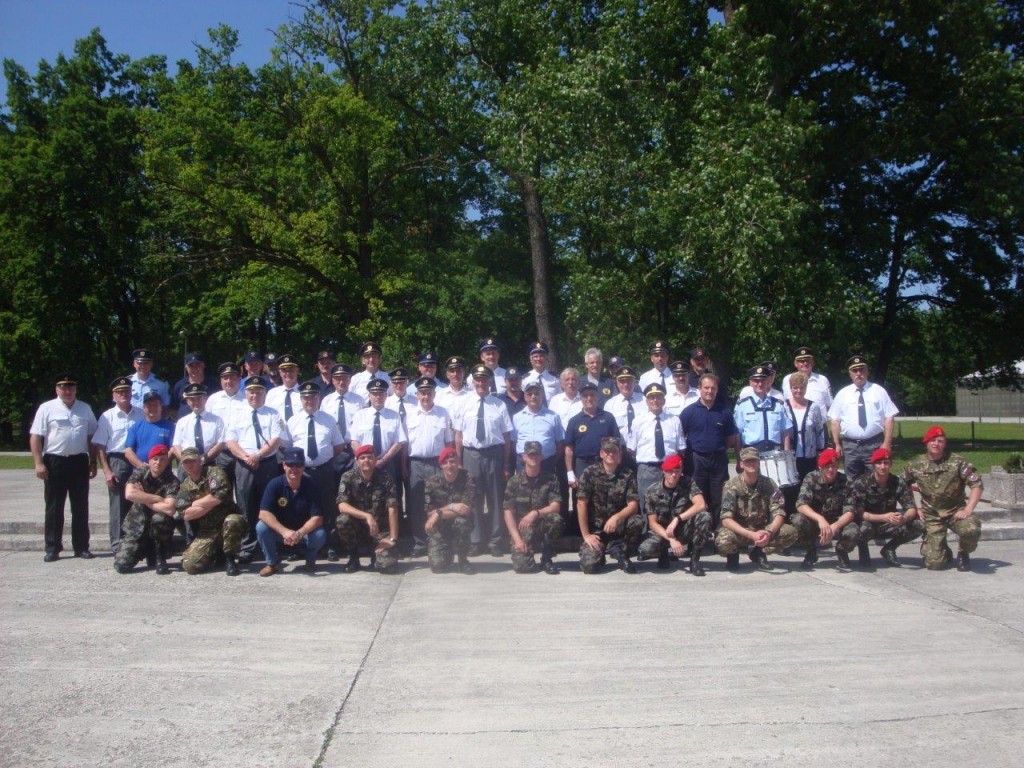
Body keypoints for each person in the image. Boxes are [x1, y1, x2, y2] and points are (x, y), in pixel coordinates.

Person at [30, 372, 98, 561]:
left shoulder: (85, 408)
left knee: (80, 506)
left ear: (75, 389)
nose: (67, 391)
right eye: (63, 387)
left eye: (71, 387)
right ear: (57, 389)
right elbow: (36, 436)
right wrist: (38, 463)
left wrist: (93, 461)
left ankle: (81, 547)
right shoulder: (47, 408)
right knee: (54, 506)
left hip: (79, 461)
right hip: (55, 461)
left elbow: (91, 436)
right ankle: (52, 548)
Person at [901, 426, 983, 571]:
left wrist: (968, 510)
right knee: (935, 564)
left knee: (971, 529)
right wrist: (913, 507)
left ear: (945, 443)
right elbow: (902, 485)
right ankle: (942, 549)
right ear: (926, 443)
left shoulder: (958, 462)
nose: (936, 444)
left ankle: (964, 553)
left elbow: (977, 485)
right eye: (932, 440)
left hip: (955, 512)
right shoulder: (914, 464)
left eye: (940, 441)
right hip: (931, 515)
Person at [455, 363, 514, 556]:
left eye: (484, 380)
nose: (481, 383)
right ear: (473, 382)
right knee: (473, 499)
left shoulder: (499, 405)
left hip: (494, 454)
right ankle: (476, 540)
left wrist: (506, 464)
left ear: (490, 382)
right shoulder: (464, 403)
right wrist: (459, 462)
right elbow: (458, 435)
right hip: (471, 454)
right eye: (478, 380)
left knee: (496, 498)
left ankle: (495, 541)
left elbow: (506, 437)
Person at [224, 376, 285, 564]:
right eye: (251, 392)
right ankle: (248, 547)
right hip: (244, 465)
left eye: (259, 392)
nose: (254, 395)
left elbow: (276, 439)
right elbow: (230, 441)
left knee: (269, 505)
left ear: (264, 394)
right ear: (246, 393)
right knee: (246, 505)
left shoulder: (273, 414)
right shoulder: (236, 415)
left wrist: (257, 456)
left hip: (266, 463)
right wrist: (246, 457)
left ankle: (271, 546)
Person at [716, 447, 798, 571]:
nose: (751, 464)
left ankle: (758, 553)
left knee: (790, 533)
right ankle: (733, 555)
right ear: (741, 464)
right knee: (723, 540)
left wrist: (769, 532)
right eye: (747, 461)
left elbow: (779, 512)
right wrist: (750, 534)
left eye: (754, 460)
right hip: (740, 531)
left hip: (762, 530)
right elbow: (726, 519)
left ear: (759, 463)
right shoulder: (732, 485)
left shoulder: (769, 484)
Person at [286, 380, 346, 547]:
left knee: (327, 506)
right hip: (301, 472)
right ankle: (300, 545)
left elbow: (339, 446)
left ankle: (330, 545)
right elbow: (287, 447)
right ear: (301, 399)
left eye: (313, 397)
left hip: (324, 470)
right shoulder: (293, 421)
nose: (309, 401)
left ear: (319, 398)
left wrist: (324, 458)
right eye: (306, 397)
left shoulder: (329, 420)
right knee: (301, 507)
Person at [844, 447, 924, 567]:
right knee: (861, 529)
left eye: (886, 463)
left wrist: (903, 518)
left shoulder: (898, 482)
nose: (883, 467)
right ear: (873, 465)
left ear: (891, 464)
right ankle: (863, 547)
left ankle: (889, 548)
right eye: (879, 463)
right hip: (868, 523)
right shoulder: (862, 482)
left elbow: (911, 508)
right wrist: (884, 517)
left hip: (889, 523)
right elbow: (859, 513)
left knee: (918, 525)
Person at [679, 373, 739, 530]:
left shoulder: (724, 412)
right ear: (699, 388)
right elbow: (680, 436)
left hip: (718, 460)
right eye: (706, 388)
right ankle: (699, 532)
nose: (709, 391)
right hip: (696, 460)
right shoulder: (689, 412)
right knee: (698, 497)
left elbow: (731, 438)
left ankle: (719, 530)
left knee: (719, 497)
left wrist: (717, 449)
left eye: (713, 388)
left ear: (717, 390)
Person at [256, 447, 327, 576]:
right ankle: (271, 564)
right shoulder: (274, 484)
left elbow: (317, 518)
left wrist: (298, 534)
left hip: (303, 533)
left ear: (303, 467)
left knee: (320, 534)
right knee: (261, 527)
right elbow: (264, 513)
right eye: (290, 465)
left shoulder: (312, 486)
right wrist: (285, 532)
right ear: (284, 465)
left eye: (298, 465)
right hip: (280, 532)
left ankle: (310, 561)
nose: (294, 469)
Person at [577, 437, 643, 574]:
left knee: (637, 521)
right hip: (596, 531)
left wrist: (616, 518)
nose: (611, 454)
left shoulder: (627, 474)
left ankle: (621, 552)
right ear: (601, 454)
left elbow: (633, 505)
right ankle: (599, 553)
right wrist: (586, 535)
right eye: (607, 451)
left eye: (614, 451)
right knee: (589, 567)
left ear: (620, 455)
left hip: (618, 530)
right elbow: (581, 504)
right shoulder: (589, 473)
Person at [176, 447, 247, 576]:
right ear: (182, 465)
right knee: (190, 566)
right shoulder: (185, 486)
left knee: (233, 521)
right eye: (186, 462)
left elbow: (220, 495)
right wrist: (210, 503)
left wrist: (194, 504)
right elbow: (185, 514)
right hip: (207, 530)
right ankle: (215, 554)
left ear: (200, 461)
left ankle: (230, 560)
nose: (190, 464)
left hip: (226, 521)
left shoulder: (214, 472)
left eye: (193, 460)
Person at [636, 454, 711, 575]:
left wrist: (678, 519)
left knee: (704, 516)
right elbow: (653, 523)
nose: (674, 475)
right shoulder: (652, 491)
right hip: (663, 532)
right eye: (670, 472)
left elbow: (701, 504)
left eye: (677, 471)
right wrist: (671, 540)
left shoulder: (688, 483)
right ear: (664, 471)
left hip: (683, 528)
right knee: (645, 549)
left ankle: (694, 560)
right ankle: (663, 553)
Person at [405, 376, 454, 558]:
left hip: (436, 463)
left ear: (434, 394)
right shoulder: (409, 414)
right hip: (416, 463)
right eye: (422, 393)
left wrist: (448, 465)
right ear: (417, 395)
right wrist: (404, 466)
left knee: (439, 502)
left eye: (429, 393)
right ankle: (419, 542)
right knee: (417, 504)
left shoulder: (443, 413)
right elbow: (404, 444)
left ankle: (439, 540)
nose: (426, 396)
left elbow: (449, 442)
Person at [92, 375, 142, 554]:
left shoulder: (141, 414)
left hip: (137, 459)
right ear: (113, 395)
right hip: (117, 460)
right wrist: (106, 471)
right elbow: (100, 446)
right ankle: (117, 544)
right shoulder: (107, 417)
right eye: (120, 392)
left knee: (139, 500)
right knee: (118, 503)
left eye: (127, 391)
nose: (124, 395)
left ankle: (137, 541)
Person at [829, 355, 899, 479]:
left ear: (867, 371)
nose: (858, 373)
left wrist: (887, 443)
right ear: (850, 373)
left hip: (874, 444)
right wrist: (836, 444)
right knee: (851, 482)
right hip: (850, 446)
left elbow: (889, 418)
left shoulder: (879, 391)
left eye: (861, 369)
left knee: (876, 479)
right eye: (854, 370)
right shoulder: (842, 393)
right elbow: (835, 420)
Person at [115, 445, 179, 575]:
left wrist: (143, 498)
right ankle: (142, 550)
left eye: (162, 459)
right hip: (137, 527)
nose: (158, 463)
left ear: (167, 462)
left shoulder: (172, 481)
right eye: (155, 459)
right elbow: (129, 494)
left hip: (159, 529)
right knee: (122, 566)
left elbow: (170, 509)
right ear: (149, 460)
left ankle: (160, 556)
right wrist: (157, 498)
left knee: (159, 518)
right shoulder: (140, 472)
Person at [336, 444, 400, 573]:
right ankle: (353, 558)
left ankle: (375, 556)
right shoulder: (348, 477)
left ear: (376, 460)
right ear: (356, 461)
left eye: (370, 457)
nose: (366, 461)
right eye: (362, 458)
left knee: (386, 566)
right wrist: (367, 516)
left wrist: (393, 538)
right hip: (358, 528)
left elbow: (392, 509)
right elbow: (342, 506)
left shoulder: (386, 478)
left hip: (380, 530)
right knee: (342, 520)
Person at [793, 448, 859, 570]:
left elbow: (850, 511)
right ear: (820, 467)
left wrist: (835, 526)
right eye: (827, 466)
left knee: (853, 530)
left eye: (834, 466)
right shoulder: (811, 478)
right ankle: (811, 551)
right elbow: (801, 504)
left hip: (837, 521)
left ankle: (841, 551)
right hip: (816, 521)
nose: (831, 470)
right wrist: (820, 519)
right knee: (798, 520)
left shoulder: (847, 481)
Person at [504, 441, 563, 574]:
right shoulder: (514, 481)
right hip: (523, 529)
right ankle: (528, 553)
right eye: (530, 455)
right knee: (523, 567)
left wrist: (536, 513)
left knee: (555, 519)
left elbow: (556, 506)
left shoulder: (550, 478)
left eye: (536, 454)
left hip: (542, 525)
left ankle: (546, 559)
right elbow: (508, 512)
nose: (534, 457)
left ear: (541, 456)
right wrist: (517, 540)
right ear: (524, 457)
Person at [628, 382, 684, 516]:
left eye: (658, 397)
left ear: (664, 400)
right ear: (646, 401)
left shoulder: (674, 420)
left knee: (671, 503)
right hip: (647, 469)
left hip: (669, 470)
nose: (655, 400)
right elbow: (631, 448)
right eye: (651, 398)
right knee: (647, 505)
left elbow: (681, 448)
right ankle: (647, 529)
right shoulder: (638, 421)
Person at [423, 446, 476, 574]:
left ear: (458, 462)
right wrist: (450, 508)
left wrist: (439, 513)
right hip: (441, 527)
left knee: (461, 521)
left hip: (460, 523)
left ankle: (463, 560)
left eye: (452, 462)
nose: (449, 466)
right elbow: (430, 513)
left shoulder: (468, 478)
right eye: (445, 463)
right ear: (441, 465)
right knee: (437, 567)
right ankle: (448, 552)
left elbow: (465, 509)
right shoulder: (432, 482)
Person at [733, 364, 792, 452]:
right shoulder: (743, 406)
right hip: (751, 453)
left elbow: (785, 432)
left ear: (768, 381)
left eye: (763, 380)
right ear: (750, 382)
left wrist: (787, 453)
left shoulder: (778, 405)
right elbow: (737, 434)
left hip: (775, 452)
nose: (760, 384)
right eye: (756, 381)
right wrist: (739, 457)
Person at [205, 362, 246, 485]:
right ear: (221, 380)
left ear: (239, 379)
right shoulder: (213, 399)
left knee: (242, 489)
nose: (229, 381)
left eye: (232, 378)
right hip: (220, 452)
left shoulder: (247, 400)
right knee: (220, 488)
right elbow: (206, 423)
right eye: (225, 378)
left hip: (241, 451)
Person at [512, 380, 565, 475]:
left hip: (547, 463)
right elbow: (513, 442)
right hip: (523, 463)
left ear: (542, 396)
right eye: (530, 394)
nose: (533, 396)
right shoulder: (517, 417)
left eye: (537, 393)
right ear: (525, 397)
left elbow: (560, 443)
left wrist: (553, 460)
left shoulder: (553, 416)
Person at [171, 383, 225, 467]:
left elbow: (220, 443)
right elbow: (176, 445)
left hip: (209, 463)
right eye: (192, 399)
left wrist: (204, 459)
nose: (196, 402)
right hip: (186, 465)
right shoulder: (182, 422)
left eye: (199, 398)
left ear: (205, 399)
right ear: (187, 401)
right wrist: (186, 461)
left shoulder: (216, 420)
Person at [123, 392, 174, 469]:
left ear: (161, 407)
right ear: (144, 407)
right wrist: (141, 465)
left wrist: (160, 464)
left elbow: (173, 449)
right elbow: (128, 451)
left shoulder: (170, 427)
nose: (152, 408)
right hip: (141, 470)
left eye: (155, 405)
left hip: (162, 470)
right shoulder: (136, 427)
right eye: (149, 405)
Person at [603, 365, 648, 449]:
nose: (626, 384)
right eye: (622, 381)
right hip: (620, 450)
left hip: (644, 448)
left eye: (629, 381)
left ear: (634, 381)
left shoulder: (645, 401)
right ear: (616, 383)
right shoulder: (610, 405)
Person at [782, 346, 833, 411]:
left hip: (819, 418)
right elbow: (784, 404)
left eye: (808, 360)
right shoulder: (787, 379)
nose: (805, 363)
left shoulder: (822, 380)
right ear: (795, 363)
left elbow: (830, 406)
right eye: (802, 361)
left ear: (813, 362)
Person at [170, 352, 219, 419]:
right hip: (185, 424)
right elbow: (173, 408)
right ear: (186, 367)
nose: (195, 368)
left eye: (198, 365)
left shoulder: (213, 384)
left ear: (204, 365)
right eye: (191, 366)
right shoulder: (179, 385)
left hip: (208, 422)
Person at [129, 348, 170, 414]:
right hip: (131, 419)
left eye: (146, 363)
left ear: (151, 364)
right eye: (139, 363)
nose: (143, 366)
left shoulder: (162, 383)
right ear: (134, 364)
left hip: (152, 419)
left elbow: (165, 407)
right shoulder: (128, 382)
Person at [265, 353, 302, 422]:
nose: (288, 373)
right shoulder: (272, 394)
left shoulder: (305, 393)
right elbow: (267, 417)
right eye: (284, 370)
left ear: (297, 371)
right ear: (280, 372)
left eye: (291, 370)